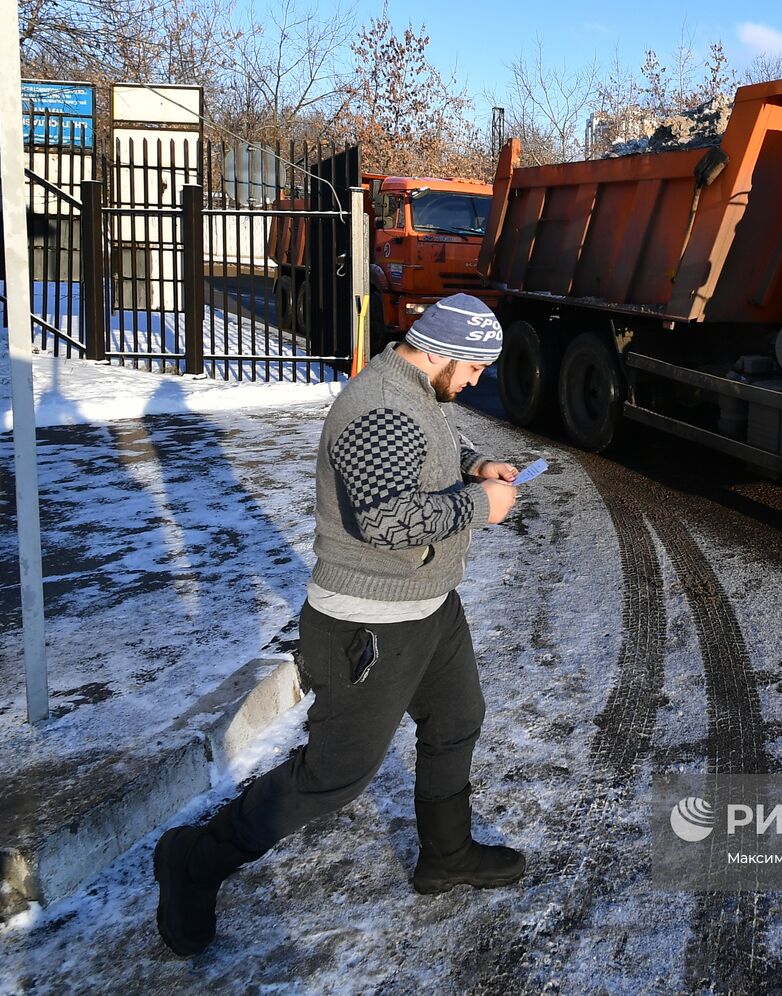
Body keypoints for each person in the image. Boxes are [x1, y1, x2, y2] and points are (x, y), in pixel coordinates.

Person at [153, 292, 523, 957]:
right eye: (472, 369)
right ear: (439, 352)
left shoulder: (416, 389)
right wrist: (480, 504)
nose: (475, 382)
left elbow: (432, 439)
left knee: (458, 718)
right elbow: (385, 518)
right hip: (368, 627)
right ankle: (193, 860)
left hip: (431, 608)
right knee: (331, 777)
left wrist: (473, 465)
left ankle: (447, 854)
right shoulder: (378, 405)